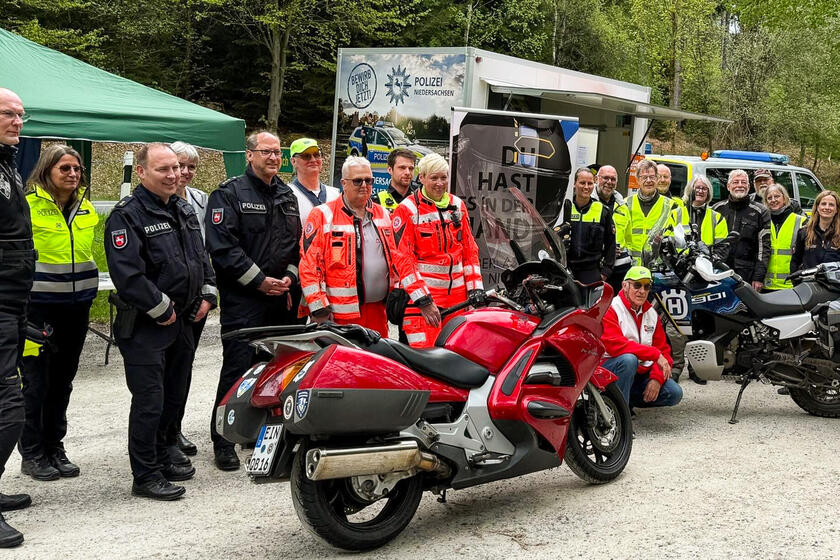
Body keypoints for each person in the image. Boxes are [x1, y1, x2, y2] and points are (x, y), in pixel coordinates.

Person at [105, 143, 217, 501]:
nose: (174, 175)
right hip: (146, 325)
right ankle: (146, 474)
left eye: (176, 168)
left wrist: (208, 294)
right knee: (150, 400)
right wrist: (163, 308)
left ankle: (165, 450)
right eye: (164, 169)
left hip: (183, 320)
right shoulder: (127, 215)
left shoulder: (181, 208)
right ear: (141, 172)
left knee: (174, 394)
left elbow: (201, 258)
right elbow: (129, 276)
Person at [204, 131, 301, 471]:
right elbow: (223, 248)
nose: (274, 158)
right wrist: (260, 282)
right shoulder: (228, 194)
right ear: (249, 155)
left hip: (281, 299)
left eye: (277, 152)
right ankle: (224, 439)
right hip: (246, 300)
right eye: (266, 152)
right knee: (239, 369)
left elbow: (296, 245)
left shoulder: (286, 194)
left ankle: (264, 433)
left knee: (278, 368)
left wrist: (289, 277)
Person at [18, 145, 98, 482]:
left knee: (63, 381)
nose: (72, 174)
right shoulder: (26, 206)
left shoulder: (85, 207)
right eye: (64, 168)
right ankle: (32, 452)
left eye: (77, 169)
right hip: (37, 310)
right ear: (47, 170)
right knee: (35, 383)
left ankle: (55, 445)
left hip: (76, 309)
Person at [299, 157, 432, 336]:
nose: (364, 185)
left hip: (378, 312)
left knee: (378, 362)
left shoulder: (383, 213)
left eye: (369, 180)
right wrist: (320, 310)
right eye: (357, 181)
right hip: (339, 317)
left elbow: (400, 258)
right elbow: (309, 266)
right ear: (343, 183)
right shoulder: (322, 215)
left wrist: (421, 298)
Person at [392, 153, 483, 348]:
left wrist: (476, 289)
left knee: (457, 358)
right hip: (423, 305)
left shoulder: (457, 205)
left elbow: (470, 251)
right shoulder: (407, 209)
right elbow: (403, 260)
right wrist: (423, 301)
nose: (440, 183)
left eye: (443, 177)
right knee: (426, 363)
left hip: (458, 303)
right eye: (434, 178)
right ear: (422, 178)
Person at [0, 87, 34, 548]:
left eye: (22, 115)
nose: (18, 121)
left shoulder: (7, 164)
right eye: (9, 114)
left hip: (13, 299)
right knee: (8, 406)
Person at [166, 141, 207, 460]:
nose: (184, 172)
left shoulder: (201, 200)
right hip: (164, 301)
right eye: (180, 165)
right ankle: (159, 435)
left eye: (191, 166)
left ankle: (174, 429)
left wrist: (209, 294)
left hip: (196, 299)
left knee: (184, 366)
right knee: (159, 370)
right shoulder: (152, 201)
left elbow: (206, 249)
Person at [601, 266, 683, 409]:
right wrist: (655, 354)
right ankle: (619, 414)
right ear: (624, 286)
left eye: (647, 286)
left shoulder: (651, 313)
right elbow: (616, 346)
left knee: (674, 393)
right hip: (610, 370)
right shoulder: (611, 308)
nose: (642, 291)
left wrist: (656, 379)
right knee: (628, 360)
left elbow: (664, 350)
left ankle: (625, 399)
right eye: (637, 285)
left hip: (638, 373)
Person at [713, 169, 771, 291]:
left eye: (743, 182)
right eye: (736, 182)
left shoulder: (760, 211)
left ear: (749, 187)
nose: (740, 185)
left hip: (746, 274)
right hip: (718, 271)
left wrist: (759, 277)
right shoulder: (717, 209)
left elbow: (764, 247)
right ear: (728, 186)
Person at [559, 168, 615, 284]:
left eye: (590, 183)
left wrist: (606, 271)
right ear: (574, 184)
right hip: (566, 270)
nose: (586, 187)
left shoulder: (602, 211)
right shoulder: (565, 208)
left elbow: (611, 243)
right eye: (582, 183)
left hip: (591, 272)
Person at [625, 159, 673, 265]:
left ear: (657, 179)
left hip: (658, 269)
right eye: (644, 177)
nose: (648, 180)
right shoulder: (625, 204)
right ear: (637, 180)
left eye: (652, 177)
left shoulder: (671, 206)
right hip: (631, 269)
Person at [594, 165, 631, 294]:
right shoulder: (588, 203)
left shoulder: (623, 206)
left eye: (613, 179)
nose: (609, 182)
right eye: (605, 178)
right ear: (596, 179)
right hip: (596, 268)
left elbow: (628, 239)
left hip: (620, 270)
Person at [288, 138, 339, 225]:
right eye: (306, 156)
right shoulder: (288, 195)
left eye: (316, 155)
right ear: (293, 161)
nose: (313, 160)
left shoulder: (336, 194)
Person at [764, 184, 805, 290]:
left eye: (777, 196)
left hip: (792, 286)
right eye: (769, 198)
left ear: (785, 198)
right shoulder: (762, 221)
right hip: (766, 285)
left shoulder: (801, 221)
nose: (773, 200)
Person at [670, 175, 729, 250]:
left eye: (704, 189)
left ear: (708, 193)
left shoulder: (717, 218)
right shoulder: (675, 214)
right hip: (680, 260)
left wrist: (710, 258)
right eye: (697, 187)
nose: (700, 191)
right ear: (690, 190)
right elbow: (668, 243)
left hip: (706, 260)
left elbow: (722, 247)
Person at [791, 190, 840, 273]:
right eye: (823, 204)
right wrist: (797, 282)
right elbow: (795, 262)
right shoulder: (804, 232)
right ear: (817, 207)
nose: (827, 207)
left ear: (836, 210)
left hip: (834, 285)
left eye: (831, 205)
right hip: (809, 283)